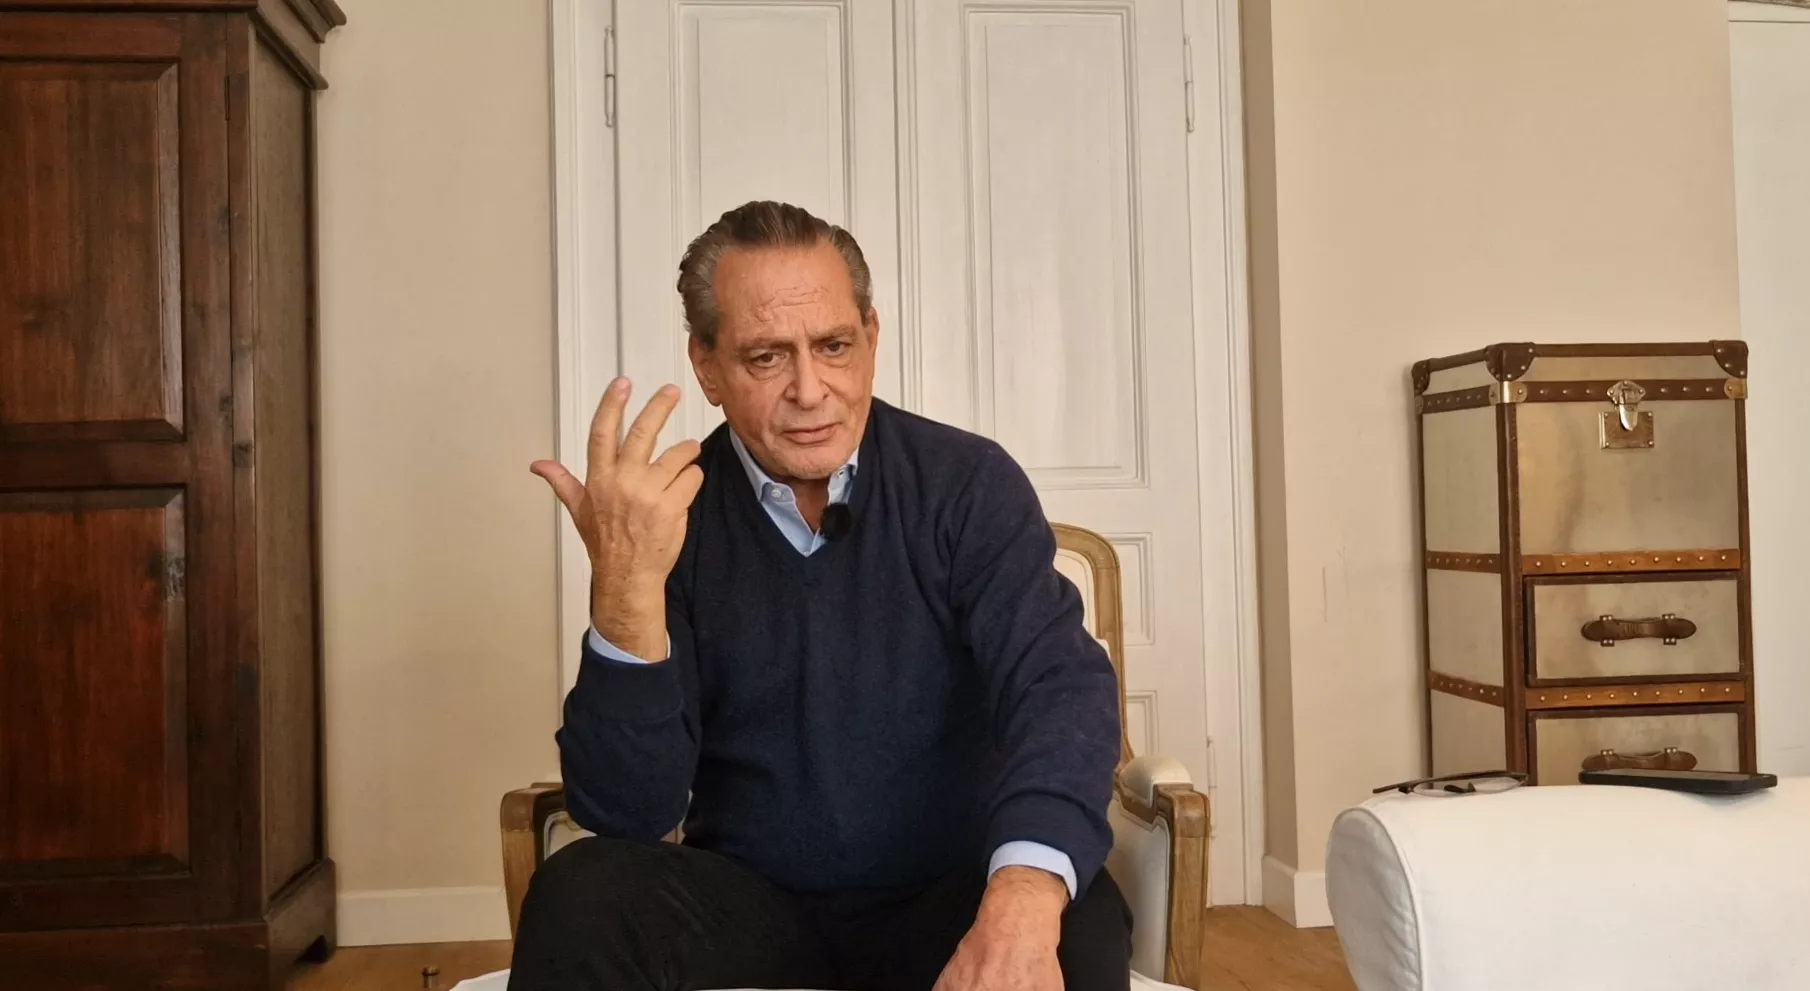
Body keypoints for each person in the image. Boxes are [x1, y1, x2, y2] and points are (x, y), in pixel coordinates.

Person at [511, 200, 1129, 991]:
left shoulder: (968, 484)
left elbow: (1059, 690)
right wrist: (626, 590)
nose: (810, 390)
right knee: (579, 892)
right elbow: (626, 814)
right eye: (766, 356)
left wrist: (1022, 896)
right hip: (752, 906)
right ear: (706, 365)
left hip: (948, 895)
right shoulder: (670, 519)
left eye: (833, 346)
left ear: (871, 337)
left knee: (1077, 915)